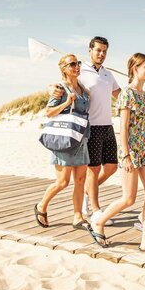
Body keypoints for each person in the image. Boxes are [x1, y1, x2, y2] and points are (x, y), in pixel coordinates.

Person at [91, 53, 145, 255]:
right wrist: (125, 155)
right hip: (131, 151)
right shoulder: (127, 94)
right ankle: (99, 223)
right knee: (129, 198)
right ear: (135, 68)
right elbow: (123, 128)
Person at [35, 54, 105, 246]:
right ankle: (41, 206)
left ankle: (77, 216)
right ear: (64, 68)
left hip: (81, 138)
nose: (76, 67)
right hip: (64, 138)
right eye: (72, 64)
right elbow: (49, 112)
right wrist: (67, 102)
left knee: (80, 180)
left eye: (78, 63)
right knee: (62, 182)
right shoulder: (60, 89)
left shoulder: (82, 88)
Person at [50, 36, 121, 225]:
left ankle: (88, 192)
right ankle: (95, 210)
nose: (101, 54)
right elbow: (63, 82)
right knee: (94, 170)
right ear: (90, 51)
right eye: (98, 50)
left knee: (112, 167)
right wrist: (52, 88)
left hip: (108, 126)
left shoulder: (108, 74)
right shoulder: (81, 71)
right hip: (91, 127)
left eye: (104, 51)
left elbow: (119, 96)